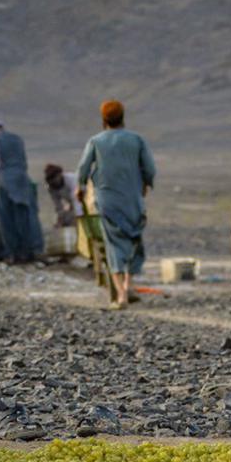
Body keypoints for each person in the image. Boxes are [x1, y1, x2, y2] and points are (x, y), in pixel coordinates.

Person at [77, 100, 156, 309]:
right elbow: (150, 168)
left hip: (107, 200)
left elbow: (83, 169)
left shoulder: (95, 141)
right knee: (133, 239)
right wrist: (146, 184)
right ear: (123, 117)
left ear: (104, 120)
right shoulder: (136, 140)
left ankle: (121, 295)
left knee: (113, 244)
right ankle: (129, 285)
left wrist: (81, 188)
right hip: (133, 200)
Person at [0, 118, 44, 263]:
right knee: (28, 216)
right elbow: (23, 161)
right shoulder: (17, 139)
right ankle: (35, 250)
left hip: (3, 179)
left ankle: (12, 253)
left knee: (6, 218)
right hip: (23, 178)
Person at [44, 163, 83, 228]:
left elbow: (76, 199)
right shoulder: (51, 187)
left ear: (60, 174)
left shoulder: (71, 179)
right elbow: (58, 206)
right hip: (72, 202)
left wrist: (79, 217)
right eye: (51, 179)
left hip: (83, 197)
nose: (54, 181)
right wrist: (60, 219)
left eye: (55, 177)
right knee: (63, 219)